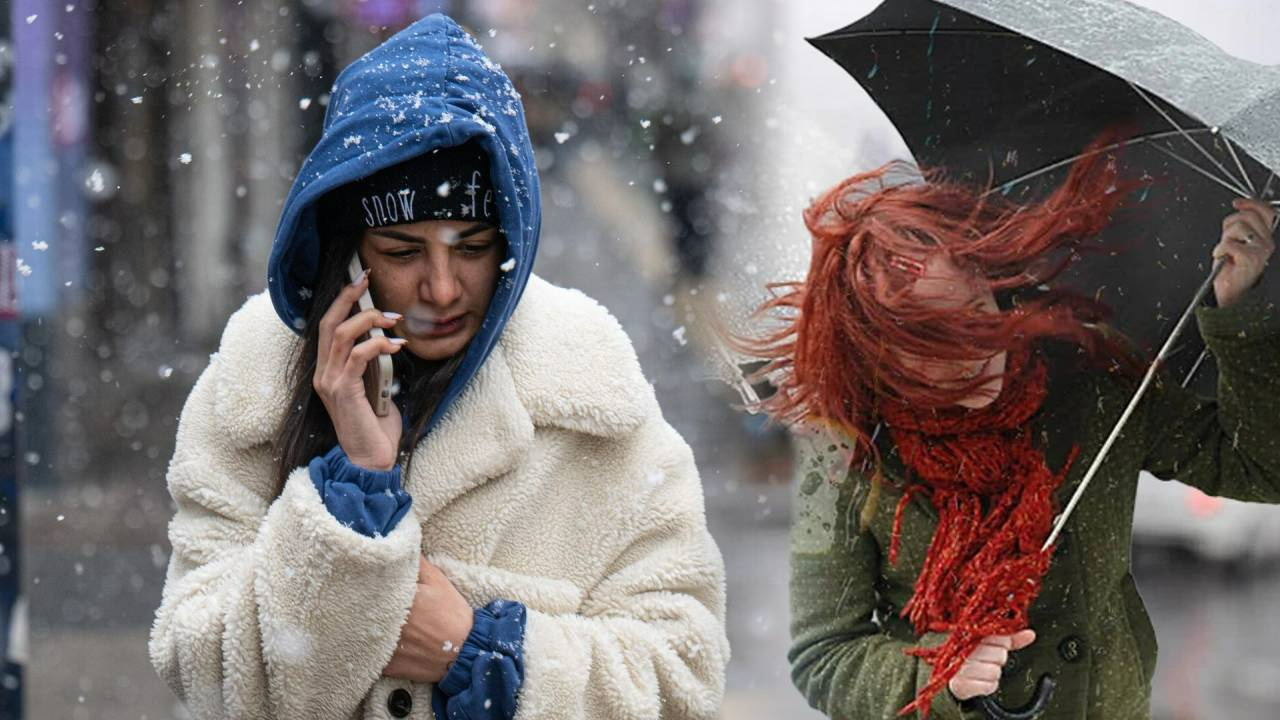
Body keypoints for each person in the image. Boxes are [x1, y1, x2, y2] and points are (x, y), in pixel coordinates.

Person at [149, 15, 728, 720]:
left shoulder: (592, 396)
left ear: (511, 238)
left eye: (474, 247)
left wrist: (481, 653)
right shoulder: (253, 388)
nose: (444, 289)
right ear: (350, 250)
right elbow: (208, 676)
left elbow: (685, 676)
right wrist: (352, 492)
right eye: (401, 252)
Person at [743, 141, 1280, 718]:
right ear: (883, 353)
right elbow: (824, 654)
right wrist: (937, 676)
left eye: (977, 312)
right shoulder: (839, 449)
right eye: (937, 340)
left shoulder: (1087, 378)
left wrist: (1242, 315)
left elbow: (1261, 467)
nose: (975, 351)